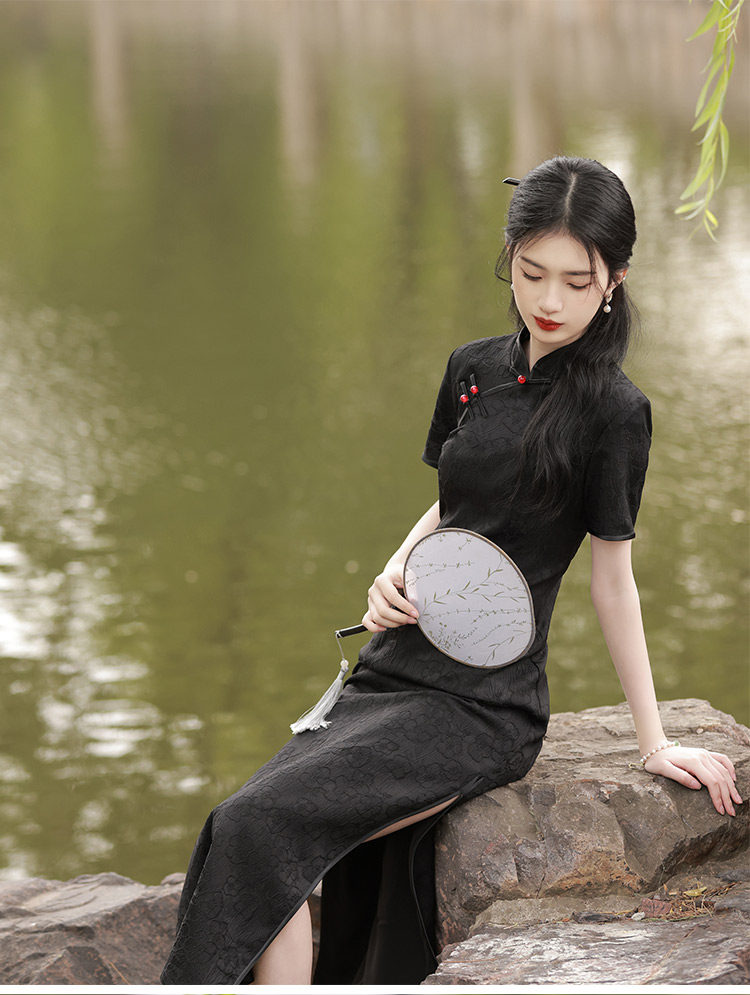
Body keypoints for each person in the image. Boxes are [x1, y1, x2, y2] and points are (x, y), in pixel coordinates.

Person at [159, 155, 741, 986]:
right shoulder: (472, 369)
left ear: (614, 280)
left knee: (263, 825)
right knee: (243, 825)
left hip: (484, 700)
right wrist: (391, 570)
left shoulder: (615, 412)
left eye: (576, 281)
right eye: (531, 272)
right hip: (397, 662)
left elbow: (613, 579)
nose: (549, 299)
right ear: (508, 258)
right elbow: (451, 505)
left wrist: (652, 742)